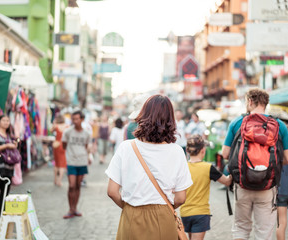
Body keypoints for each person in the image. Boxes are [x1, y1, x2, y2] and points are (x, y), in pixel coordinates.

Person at [106, 94, 193, 240]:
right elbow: (180, 197)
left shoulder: (126, 148)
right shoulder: (177, 151)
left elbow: (112, 191)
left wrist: (130, 208)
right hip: (163, 216)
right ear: (170, 120)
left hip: (131, 215)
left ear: (143, 116)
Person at [221, 88, 288, 240]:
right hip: (268, 186)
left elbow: (225, 154)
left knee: (241, 229)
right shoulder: (279, 125)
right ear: (266, 103)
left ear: (250, 101)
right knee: (263, 232)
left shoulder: (237, 123)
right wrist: (270, 165)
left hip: (242, 184)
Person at [180, 135, 232, 240]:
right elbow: (226, 182)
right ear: (203, 150)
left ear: (188, 151)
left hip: (185, 213)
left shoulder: (183, 167)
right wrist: (232, 172)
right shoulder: (208, 168)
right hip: (201, 213)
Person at [62, 110, 91, 219]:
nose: (74, 121)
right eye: (73, 119)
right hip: (71, 162)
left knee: (78, 186)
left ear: (82, 119)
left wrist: (87, 157)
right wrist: (70, 154)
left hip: (82, 162)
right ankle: (70, 209)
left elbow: (86, 146)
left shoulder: (87, 133)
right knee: (71, 185)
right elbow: (64, 145)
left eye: (77, 119)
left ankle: (75, 209)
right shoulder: (68, 132)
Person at [0, 115, 18, 220]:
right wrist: (6, 146)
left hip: (8, 166)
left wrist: (14, 145)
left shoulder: (9, 135)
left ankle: (3, 210)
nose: (6, 122)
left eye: (8, 120)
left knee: (6, 189)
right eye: (4, 120)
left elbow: (13, 148)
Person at [51, 114, 68, 187]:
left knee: (57, 163)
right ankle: (59, 181)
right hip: (63, 145)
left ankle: (55, 179)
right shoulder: (67, 126)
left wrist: (54, 123)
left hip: (56, 145)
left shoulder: (56, 126)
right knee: (63, 164)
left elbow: (51, 131)